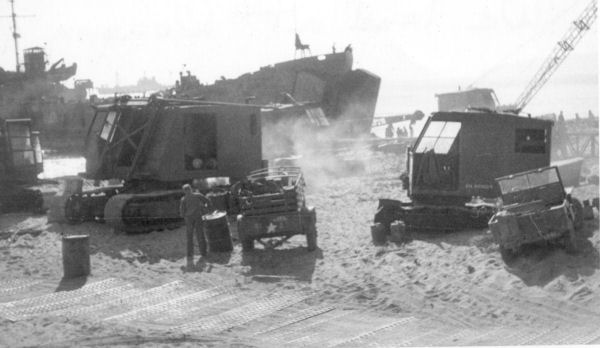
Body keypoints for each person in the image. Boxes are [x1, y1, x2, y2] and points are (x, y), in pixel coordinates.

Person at [179, 184, 214, 268]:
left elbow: (182, 212)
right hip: (198, 217)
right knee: (200, 235)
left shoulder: (183, 199)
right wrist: (208, 210)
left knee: (189, 237)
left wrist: (185, 215)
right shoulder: (197, 195)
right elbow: (208, 201)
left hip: (189, 219)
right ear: (191, 189)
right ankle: (204, 253)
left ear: (184, 191)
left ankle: (190, 255)